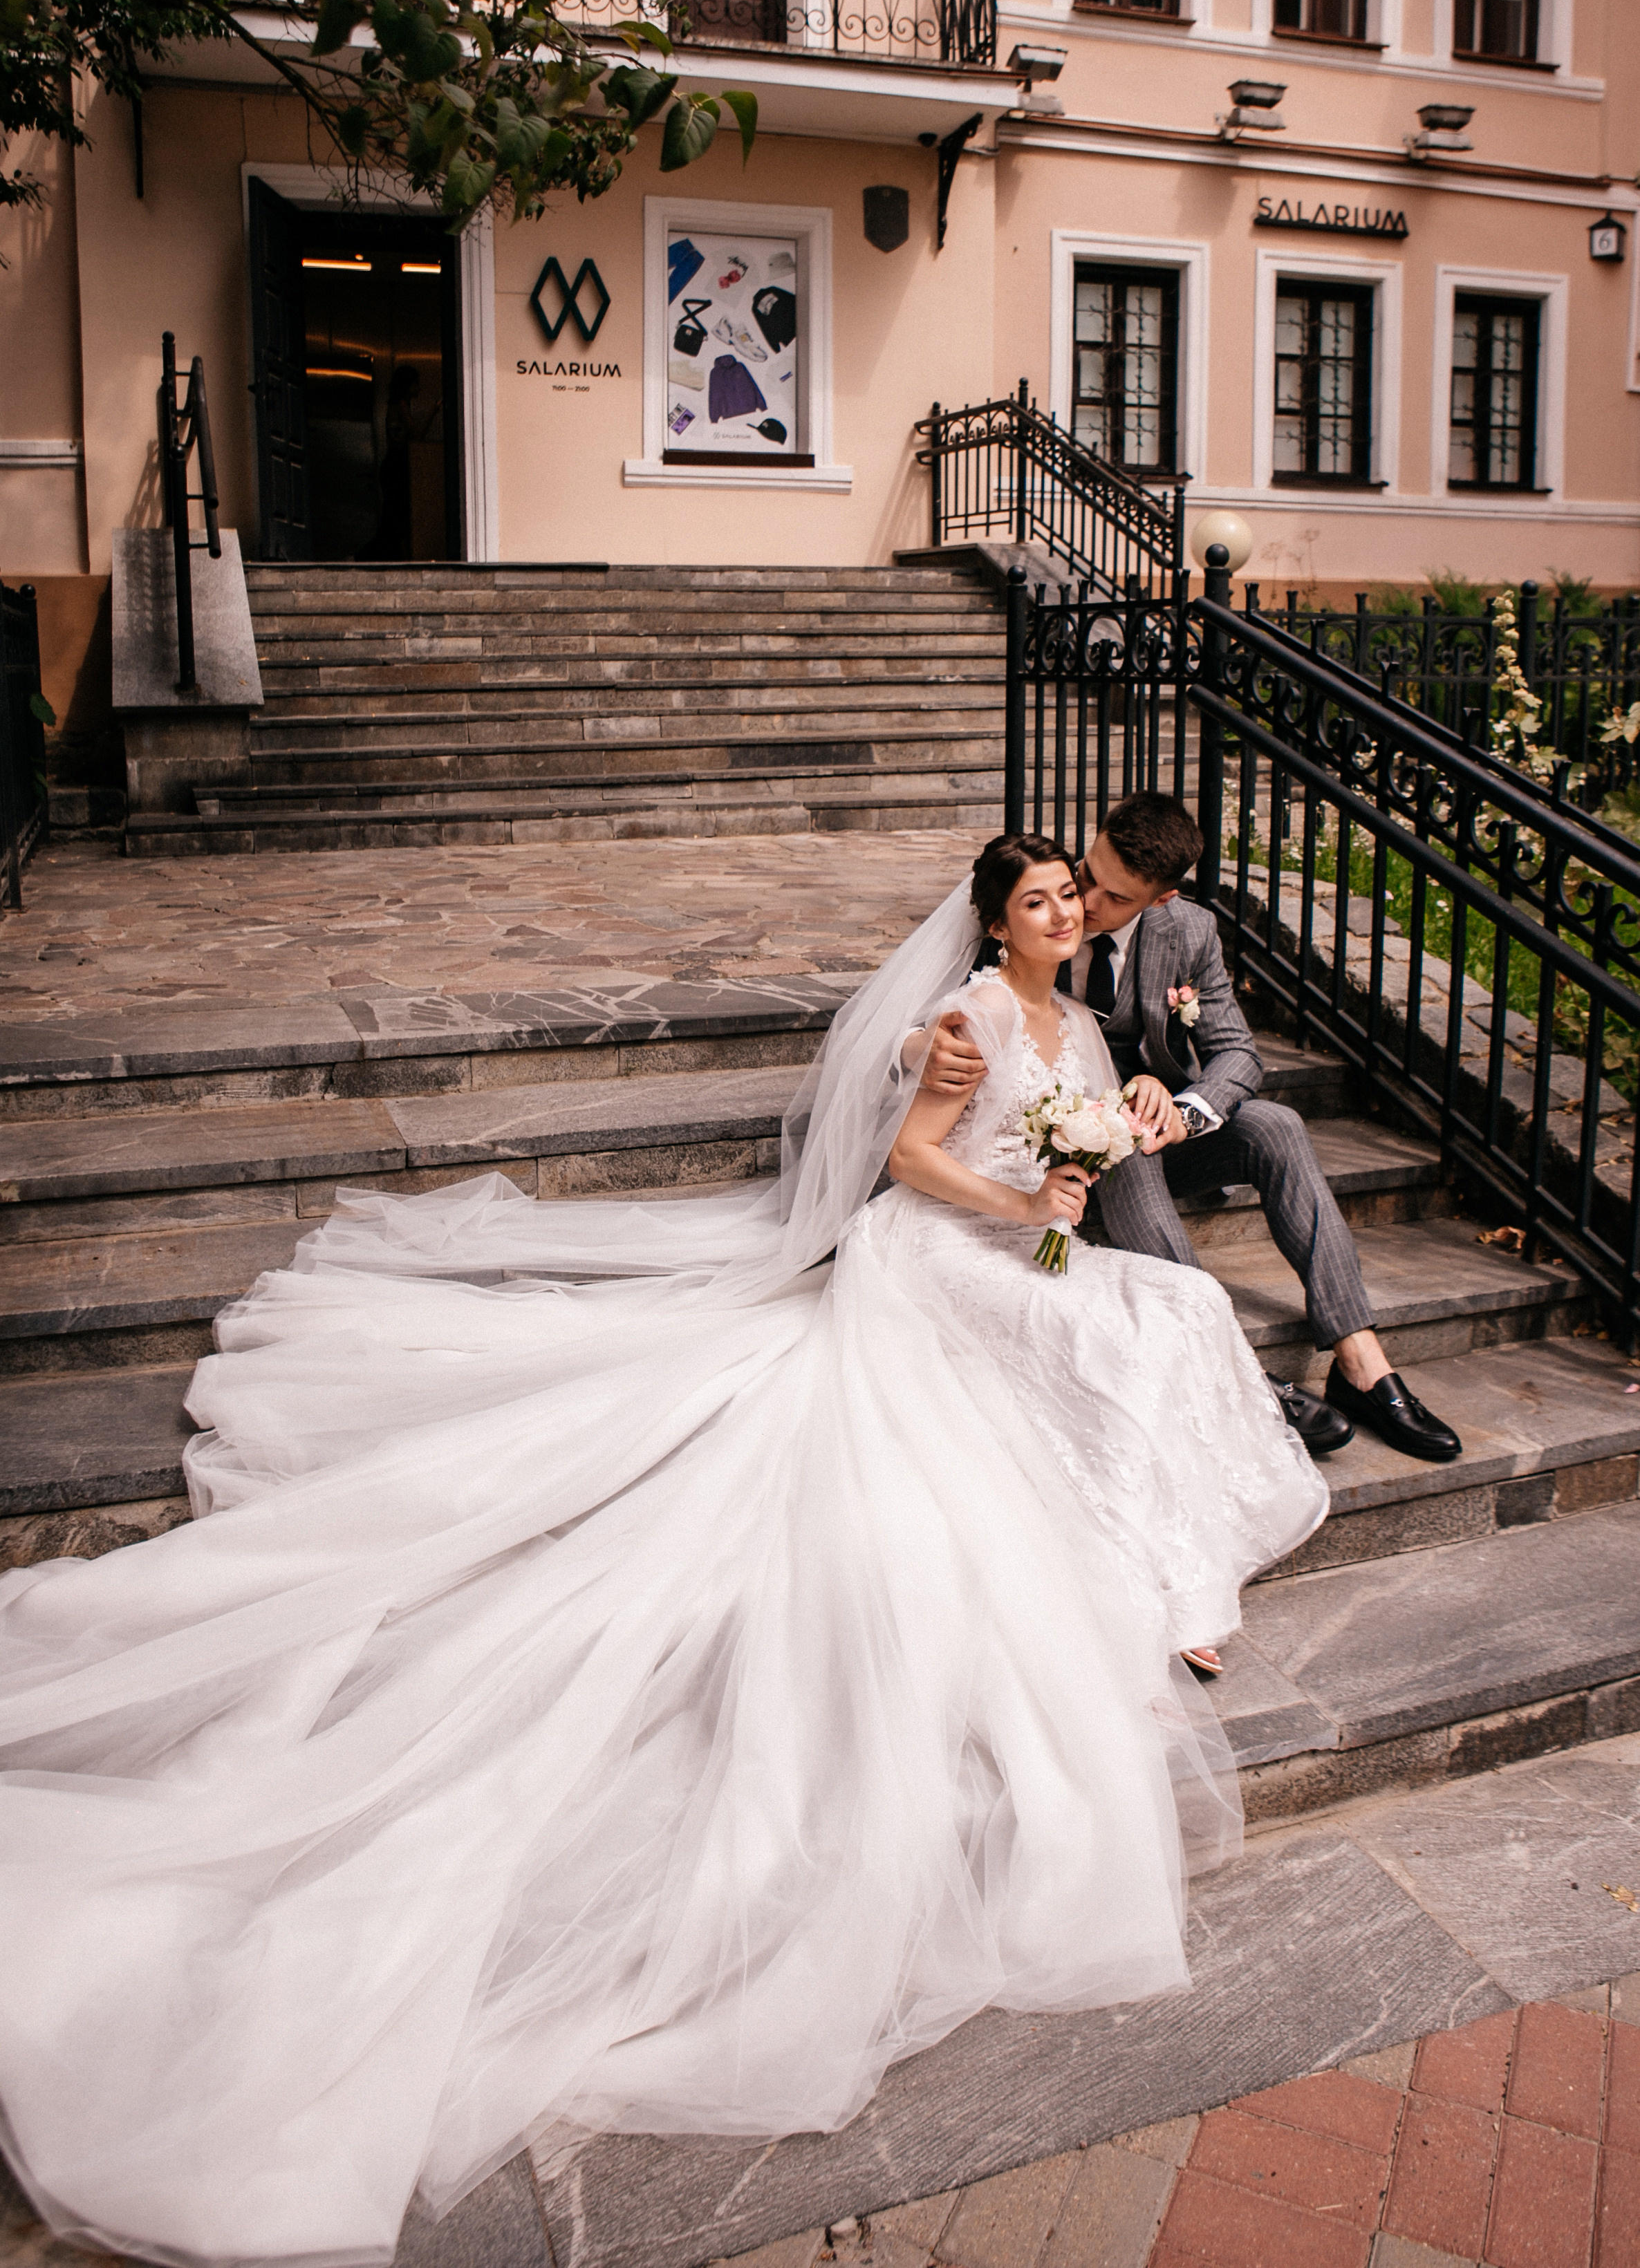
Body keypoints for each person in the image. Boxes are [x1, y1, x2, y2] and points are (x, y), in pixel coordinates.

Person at [0, 834, 1326, 2268]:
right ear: (993, 922)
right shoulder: (966, 1021)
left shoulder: (1078, 1018)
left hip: (1027, 1246)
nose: (1064, 913)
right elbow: (913, 1164)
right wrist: (1032, 1206)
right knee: (1112, 1331)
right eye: (1038, 901)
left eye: (1072, 898)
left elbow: (1076, 1133)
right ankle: (1139, 1575)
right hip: (943, 1253)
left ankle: (1164, 1558)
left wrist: (1110, 1135)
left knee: (1171, 1320)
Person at [918, 794, 1462, 1466]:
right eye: (1086, 872)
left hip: (1146, 1128)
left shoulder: (1187, 931)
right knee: (1122, 1138)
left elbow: (1237, 1052)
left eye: (1109, 896)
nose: (1080, 903)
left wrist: (1184, 1110)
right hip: (1067, 1141)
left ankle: (1360, 1364)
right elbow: (937, 1007)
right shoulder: (1035, 896)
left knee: (1276, 1126)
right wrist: (915, 1047)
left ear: (1158, 898)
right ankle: (1229, 1367)